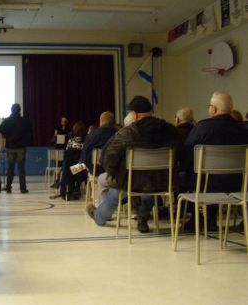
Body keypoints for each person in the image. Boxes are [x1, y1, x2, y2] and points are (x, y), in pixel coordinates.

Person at [87, 95, 182, 233]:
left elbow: (107, 157)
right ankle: (143, 217)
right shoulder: (171, 130)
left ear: (135, 115)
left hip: (132, 182)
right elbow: (181, 152)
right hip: (164, 182)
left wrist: (115, 173)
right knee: (148, 186)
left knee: (118, 189)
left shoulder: (128, 133)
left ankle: (99, 217)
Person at [183, 92, 248, 230]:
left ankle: (198, 219)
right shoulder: (243, 129)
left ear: (213, 109)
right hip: (238, 184)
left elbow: (187, 152)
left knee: (189, 174)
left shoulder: (202, 127)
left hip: (205, 184)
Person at [0, 103, 32, 194]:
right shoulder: (24, 121)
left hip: (10, 147)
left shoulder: (6, 121)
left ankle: (8, 188)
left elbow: (1, 130)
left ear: (11, 110)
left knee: (10, 169)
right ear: (19, 110)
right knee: (21, 169)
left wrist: (8, 136)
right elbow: (29, 133)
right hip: (21, 147)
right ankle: (22, 188)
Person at [58, 121, 87, 200]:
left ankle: (71, 189)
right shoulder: (85, 142)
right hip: (80, 170)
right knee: (82, 165)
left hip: (69, 170)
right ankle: (77, 189)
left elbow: (66, 157)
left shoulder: (70, 141)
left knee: (70, 167)